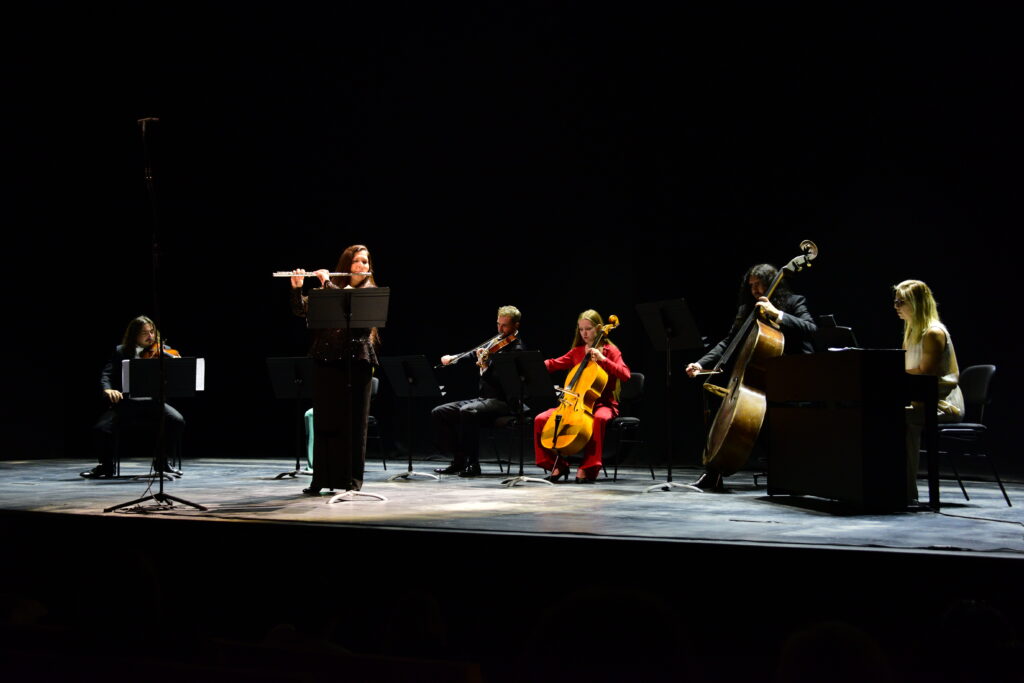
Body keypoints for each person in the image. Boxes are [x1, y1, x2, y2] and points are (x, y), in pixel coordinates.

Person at [684, 263, 817, 490]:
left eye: (759, 284)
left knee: (776, 426)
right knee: (738, 419)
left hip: (791, 376)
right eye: (752, 285)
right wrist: (701, 363)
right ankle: (714, 471)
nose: (755, 290)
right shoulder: (748, 309)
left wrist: (779, 315)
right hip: (758, 377)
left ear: (772, 281)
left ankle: (789, 474)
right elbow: (729, 342)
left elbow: (811, 328)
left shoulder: (794, 302)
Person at [290, 244, 380, 495]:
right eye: (357, 261)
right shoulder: (329, 290)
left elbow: (358, 326)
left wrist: (328, 284)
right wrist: (298, 287)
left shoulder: (369, 292)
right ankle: (320, 478)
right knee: (325, 421)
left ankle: (351, 480)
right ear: (347, 264)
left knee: (354, 424)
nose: (362, 266)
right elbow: (301, 311)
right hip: (326, 359)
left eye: (365, 262)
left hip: (357, 363)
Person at [533, 309, 631, 483]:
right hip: (574, 404)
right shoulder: (578, 351)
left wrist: (603, 359)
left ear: (599, 328)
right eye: (581, 329)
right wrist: (532, 364)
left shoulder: (610, 351)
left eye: (588, 329)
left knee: (598, 419)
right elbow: (555, 363)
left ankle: (589, 468)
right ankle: (557, 464)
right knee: (540, 419)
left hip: (604, 404)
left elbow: (625, 375)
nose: (584, 333)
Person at [83, 316, 186, 478]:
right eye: (145, 332)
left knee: (176, 421)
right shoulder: (121, 351)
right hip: (127, 403)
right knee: (101, 428)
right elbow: (107, 374)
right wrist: (108, 389)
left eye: (152, 332)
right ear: (134, 335)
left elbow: (175, 380)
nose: (150, 336)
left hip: (154, 403)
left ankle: (162, 463)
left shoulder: (164, 350)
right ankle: (106, 466)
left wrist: (177, 368)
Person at [431, 305, 525, 477]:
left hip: (504, 402)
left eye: (504, 326)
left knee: (468, 411)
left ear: (516, 326)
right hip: (485, 399)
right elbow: (475, 353)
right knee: (440, 412)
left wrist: (485, 367)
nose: (500, 329)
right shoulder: (496, 342)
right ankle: (459, 460)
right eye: (498, 324)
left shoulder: (516, 350)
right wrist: (454, 358)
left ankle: (473, 464)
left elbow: (504, 383)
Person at [894, 279, 963, 503]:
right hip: (920, 401)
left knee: (903, 419)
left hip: (943, 403)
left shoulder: (933, 333)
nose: (895, 306)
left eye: (900, 302)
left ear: (916, 303)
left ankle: (906, 492)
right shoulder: (911, 332)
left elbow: (926, 374)